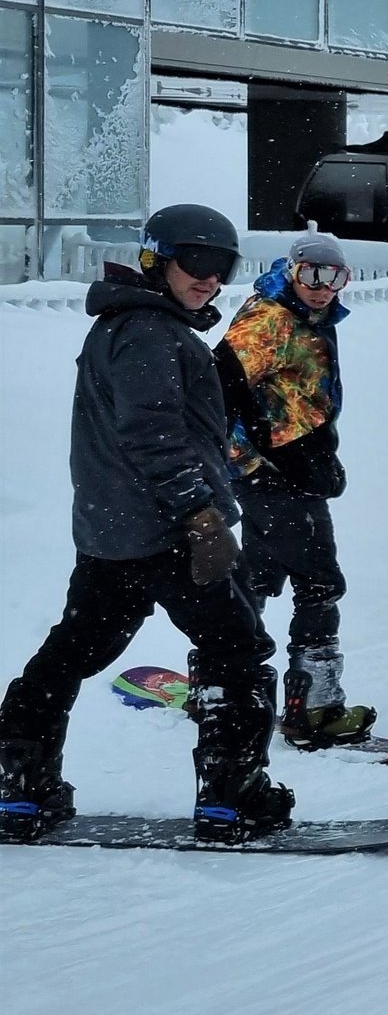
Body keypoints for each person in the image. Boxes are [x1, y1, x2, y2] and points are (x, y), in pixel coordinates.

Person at [0, 205, 294, 843]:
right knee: (238, 653)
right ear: (156, 259)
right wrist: (200, 514)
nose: (210, 278)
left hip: (114, 534)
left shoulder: (130, 326)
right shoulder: (148, 332)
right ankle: (232, 798)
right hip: (169, 534)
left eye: (224, 265)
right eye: (197, 261)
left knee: (72, 651)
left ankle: (23, 789)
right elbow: (152, 432)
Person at [214, 225, 376, 750]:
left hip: (293, 472)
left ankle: (220, 682)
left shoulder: (310, 320)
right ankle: (315, 708)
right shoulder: (269, 321)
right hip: (272, 479)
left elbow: (297, 399)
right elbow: (218, 399)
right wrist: (253, 466)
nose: (323, 285)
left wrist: (318, 457)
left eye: (335, 276)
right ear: (292, 269)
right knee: (320, 582)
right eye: (312, 273)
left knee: (255, 577)